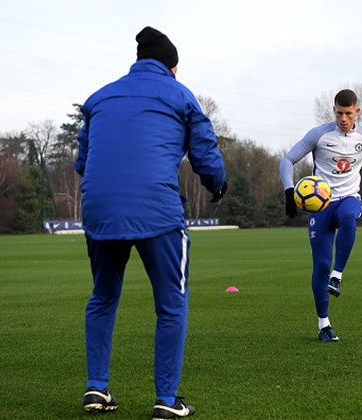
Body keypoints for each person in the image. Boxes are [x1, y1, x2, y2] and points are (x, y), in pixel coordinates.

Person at [75, 26, 227, 418]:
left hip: (98, 208)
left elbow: (82, 161)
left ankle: (96, 389)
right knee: (171, 304)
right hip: (156, 210)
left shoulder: (100, 97)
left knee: (103, 296)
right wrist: (217, 186)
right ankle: (166, 399)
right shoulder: (180, 94)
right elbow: (205, 155)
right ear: (172, 67)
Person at [280, 89, 362, 342]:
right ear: (334, 110)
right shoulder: (319, 135)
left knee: (349, 217)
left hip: (348, 198)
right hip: (321, 206)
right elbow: (287, 160)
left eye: (348, 113)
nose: (343, 118)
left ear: (357, 111)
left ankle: (337, 277)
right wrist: (288, 191)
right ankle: (323, 324)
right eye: (339, 113)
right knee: (320, 265)